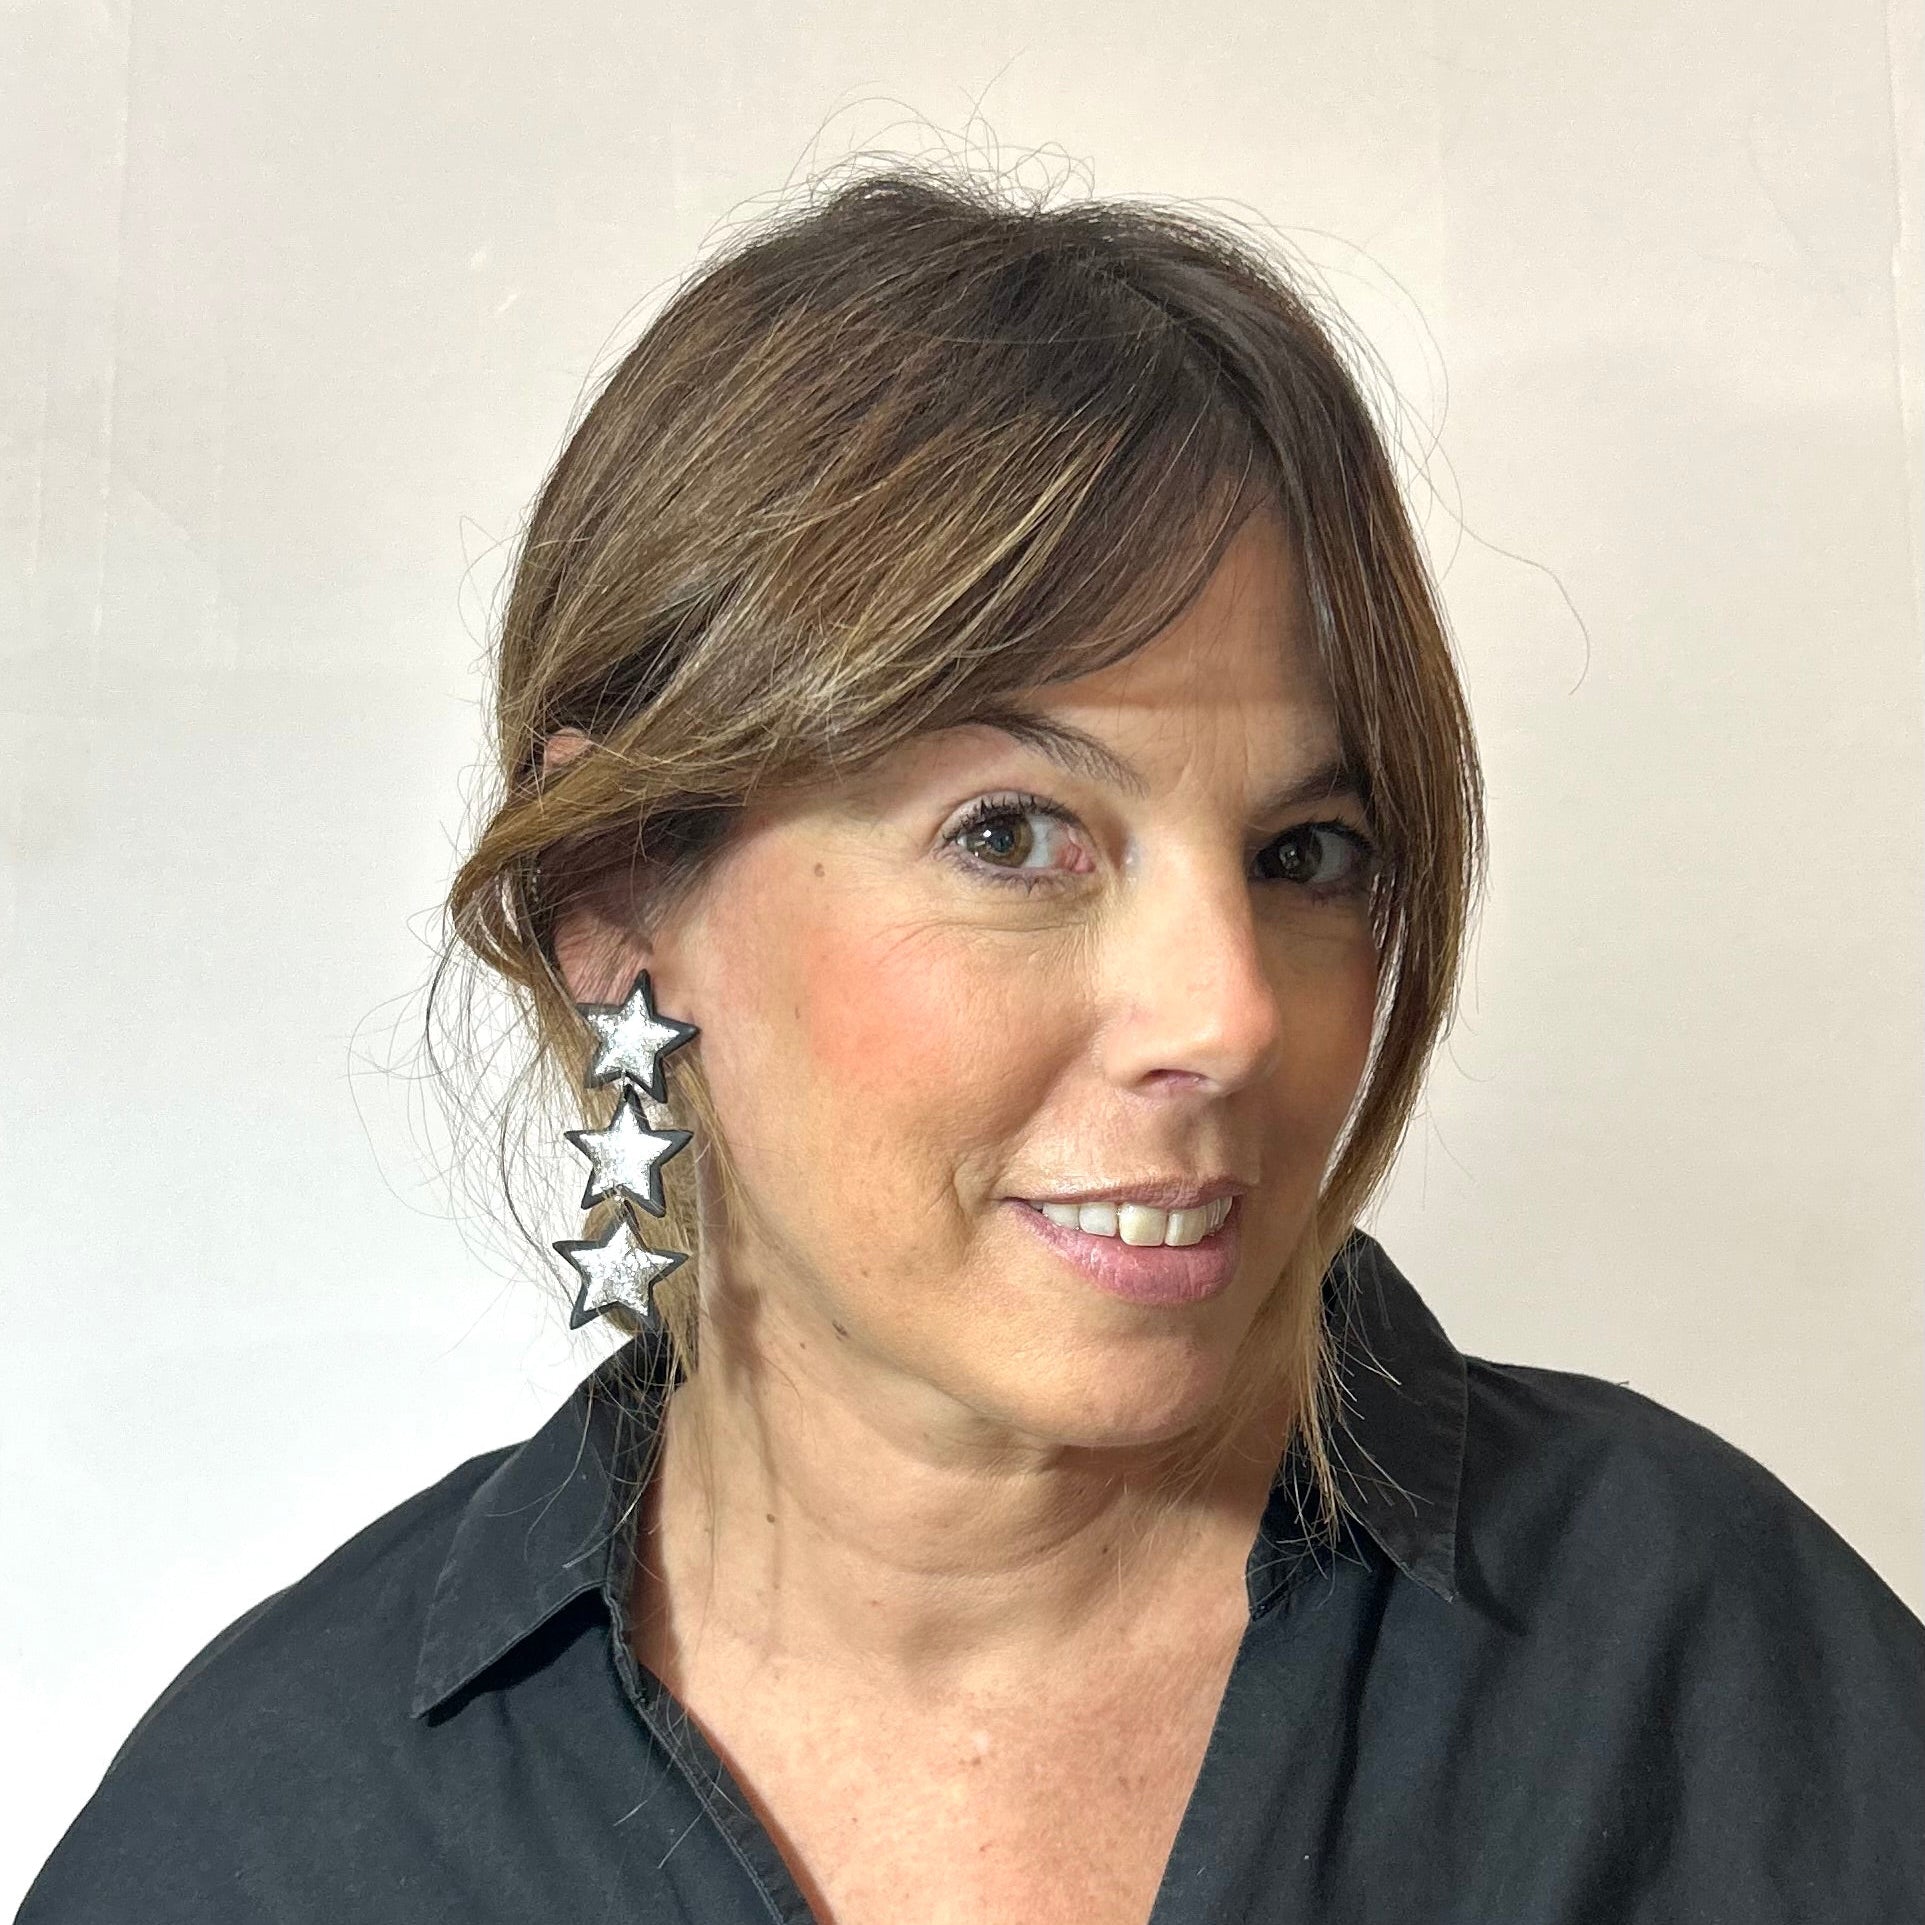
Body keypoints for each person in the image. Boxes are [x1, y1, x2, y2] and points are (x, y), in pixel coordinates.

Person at [18, 164, 1923, 1925]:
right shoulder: (268, 1840)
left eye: (1306, 853)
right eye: (1011, 833)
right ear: (619, 896)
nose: (1228, 1013)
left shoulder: (1719, 1681)